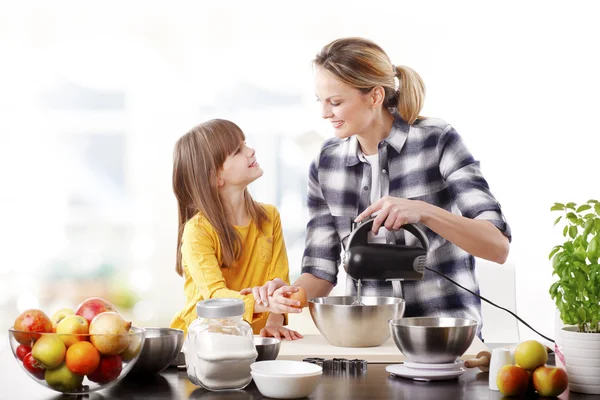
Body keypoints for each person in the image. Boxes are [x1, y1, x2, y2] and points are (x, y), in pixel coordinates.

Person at [246, 37, 511, 337]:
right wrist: (289, 295)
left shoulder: (437, 141)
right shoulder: (326, 164)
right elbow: (320, 271)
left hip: (443, 338)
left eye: (335, 102)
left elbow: (497, 245)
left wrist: (424, 212)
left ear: (374, 96)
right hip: (367, 341)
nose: (324, 113)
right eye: (320, 101)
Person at [169, 119, 302, 340]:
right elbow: (215, 297)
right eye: (237, 151)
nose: (251, 151)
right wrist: (266, 302)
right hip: (202, 343)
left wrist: (275, 320)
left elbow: (279, 280)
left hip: (253, 341)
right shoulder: (197, 232)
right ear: (215, 177)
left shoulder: (270, 217)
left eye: (245, 144)